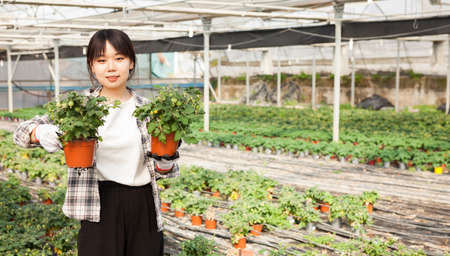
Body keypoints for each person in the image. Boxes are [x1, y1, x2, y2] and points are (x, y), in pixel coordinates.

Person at [13, 29, 180, 256]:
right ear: (92, 66)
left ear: (131, 62)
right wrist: (42, 132)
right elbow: (20, 133)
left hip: (143, 204)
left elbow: (163, 169)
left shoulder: (149, 109)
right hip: (98, 203)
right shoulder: (77, 108)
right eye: (102, 60)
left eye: (119, 58)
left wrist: (165, 162)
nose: (111, 68)